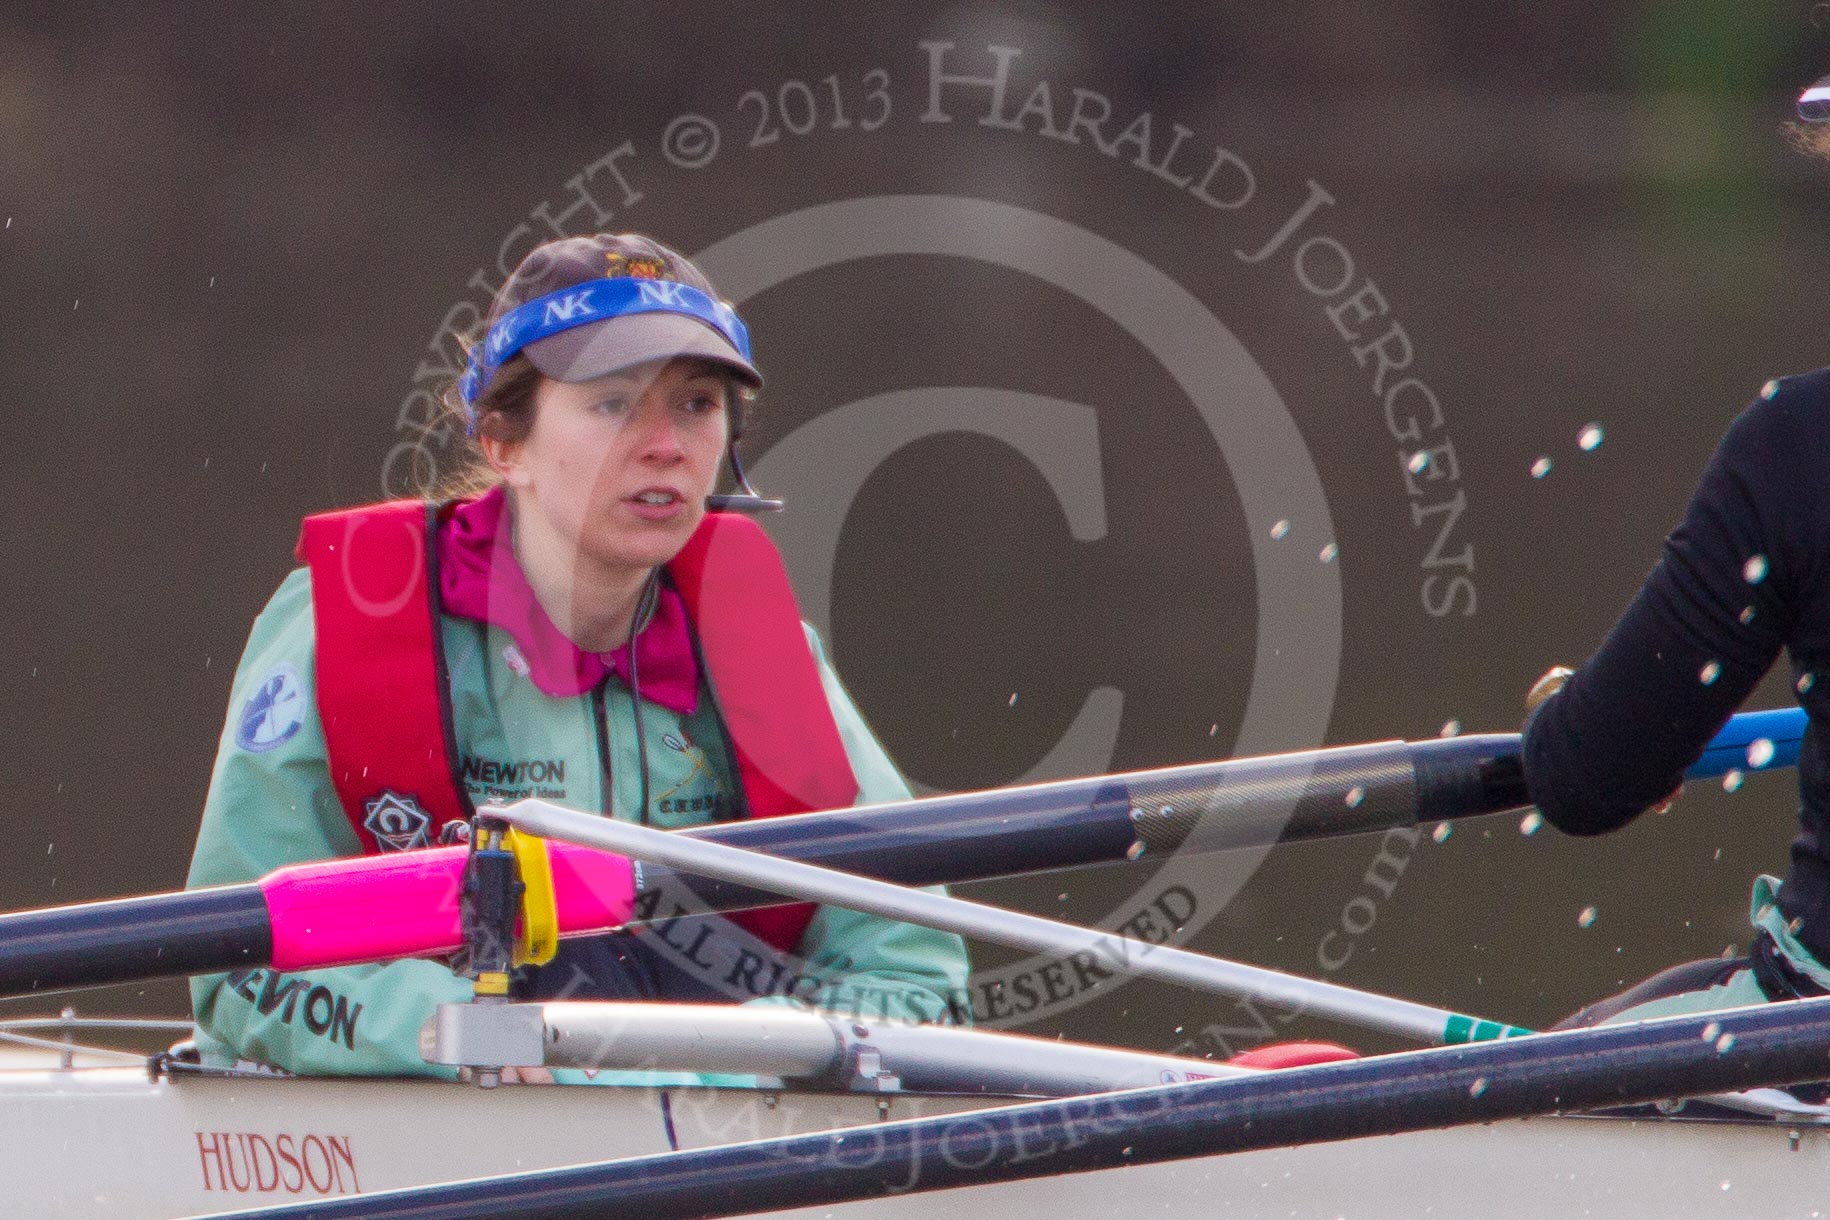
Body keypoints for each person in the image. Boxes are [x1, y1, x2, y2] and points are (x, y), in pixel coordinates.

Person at [185, 233, 970, 1080]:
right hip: (442, 1127)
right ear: (502, 443)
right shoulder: (344, 621)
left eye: (697, 403)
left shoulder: (766, 649)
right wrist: (450, 1032)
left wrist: (713, 1063)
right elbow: (238, 970)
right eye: (612, 403)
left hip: (710, 1128)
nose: (666, 444)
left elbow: (912, 977)